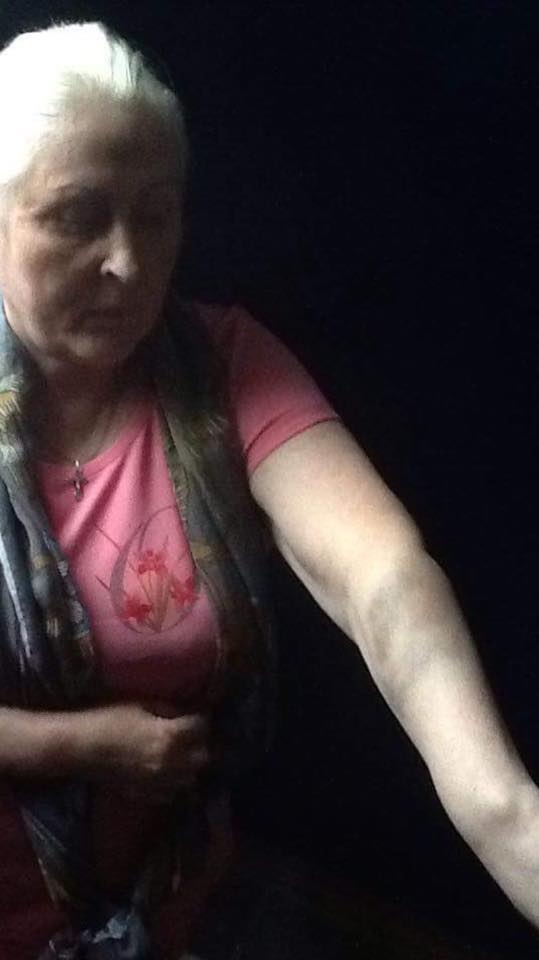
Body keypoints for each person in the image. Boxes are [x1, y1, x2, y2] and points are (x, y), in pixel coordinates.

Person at [0, 18, 537, 960]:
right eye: (78, 215)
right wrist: (82, 745)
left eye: (155, 215)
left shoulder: (220, 366)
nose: (128, 262)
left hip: (167, 909)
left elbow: (378, 577)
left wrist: (506, 811)